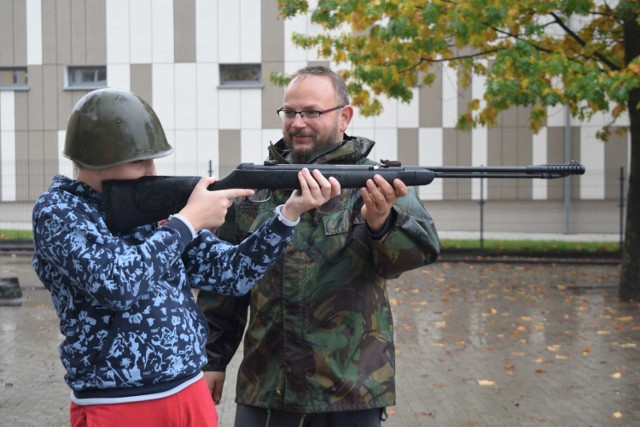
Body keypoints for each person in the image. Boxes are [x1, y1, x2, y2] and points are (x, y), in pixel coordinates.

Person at [31, 88, 340, 427]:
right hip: (118, 405)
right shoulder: (59, 211)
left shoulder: (151, 210)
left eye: (152, 159)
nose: (150, 170)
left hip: (189, 393)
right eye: (138, 161)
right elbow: (117, 284)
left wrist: (287, 216)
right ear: (96, 161)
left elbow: (232, 274)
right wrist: (188, 221)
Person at [197, 66, 441, 426]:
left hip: (350, 392)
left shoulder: (375, 184)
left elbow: (418, 254)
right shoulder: (255, 191)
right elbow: (223, 288)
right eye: (290, 112)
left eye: (311, 112)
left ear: (344, 116)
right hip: (266, 387)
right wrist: (211, 360)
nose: (298, 122)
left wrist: (382, 222)